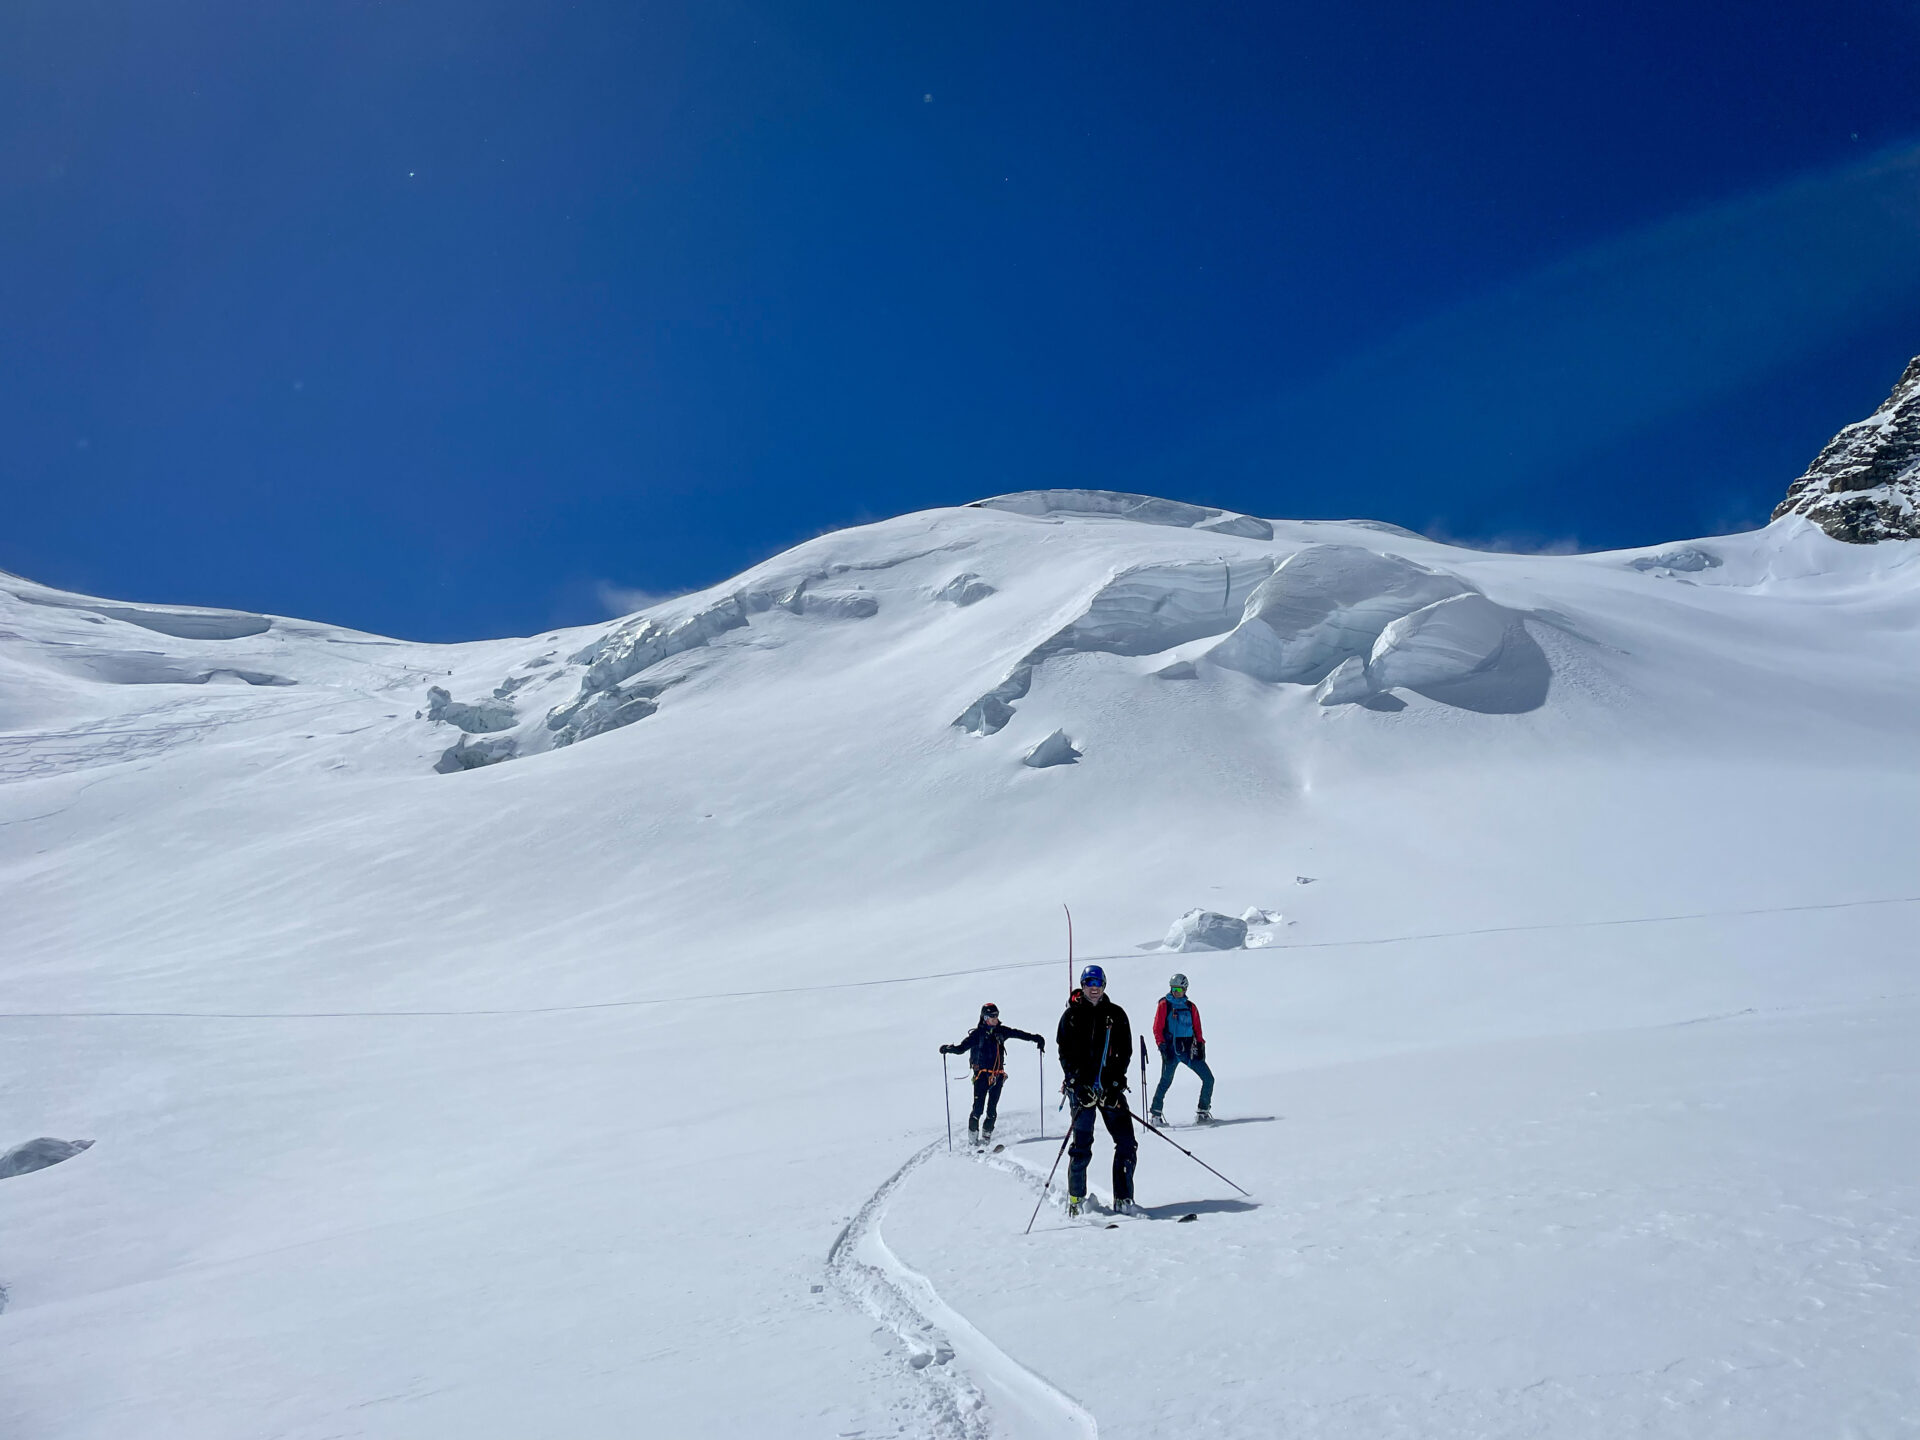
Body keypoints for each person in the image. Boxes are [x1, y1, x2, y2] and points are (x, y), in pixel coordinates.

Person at [1055, 964, 1138, 1216]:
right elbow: (1064, 1053)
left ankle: (1123, 1198)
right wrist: (1077, 1084)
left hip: (1109, 1089)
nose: (1094, 987)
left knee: (1126, 1143)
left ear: (1104, 985)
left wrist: (1114, 1084)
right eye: (1089, 982)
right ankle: (1076, 1198)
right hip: (1082, 1091)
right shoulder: (1070, 1016)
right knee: (1081, 1145)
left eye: (1098, 982)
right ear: (1082, 984)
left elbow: (1125, 1051)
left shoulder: (1116, 1014)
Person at [940, 1002, 1044, 1145]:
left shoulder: (1001, 1031)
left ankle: (987, 1137)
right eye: (992, 1016)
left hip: (998, 1076)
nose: (996, 1018)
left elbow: (1018, 1033)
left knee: (992, 1110)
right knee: (977, 1109)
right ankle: (973, 1139)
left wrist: (1036, 1038)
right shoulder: (977, 1034)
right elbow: (961, 1049)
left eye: (997, 1015)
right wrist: (948, 1049)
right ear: (985, 1017)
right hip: (981, 1076)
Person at [1149, 972, 1215, 1125]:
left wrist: (1200, 1044)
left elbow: (1197, 1028)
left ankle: (1203, 1112)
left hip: (1188, 1051)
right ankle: (1155, 1115)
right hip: (1171, 1051)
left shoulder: (1191, 1007)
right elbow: (1157, 1028)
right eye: (1173, 989)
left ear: (1185, 989)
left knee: (1208, 1079)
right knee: (1165, 1081)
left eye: (1178, 990)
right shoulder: (1164, 1005)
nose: (1175, 993)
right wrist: (1162, 1046)